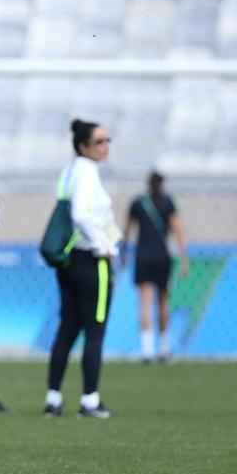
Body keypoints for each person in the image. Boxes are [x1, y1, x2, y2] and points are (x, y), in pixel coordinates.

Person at [44, 119, 120, 420]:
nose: (105, 146)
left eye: (106, 140)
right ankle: (90, 399)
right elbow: (81, 214)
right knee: (95, 330)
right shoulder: (87, 172)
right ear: (83, 146)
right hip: (91, 259)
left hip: (70, 261)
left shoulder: (70, 171)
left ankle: (53, 397)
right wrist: (103, 245)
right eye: (99, 141)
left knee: (68, 327)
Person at [123, 171, 189, 364]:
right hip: (162, 257)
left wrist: (124, 253)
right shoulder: (168, 202)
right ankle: (164, 348)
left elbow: (127, 231)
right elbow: (178, 230)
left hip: (143, 256)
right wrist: (184, 259)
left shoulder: (138, 203)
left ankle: (147, 350)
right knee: (163, 303)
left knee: (145, 303)